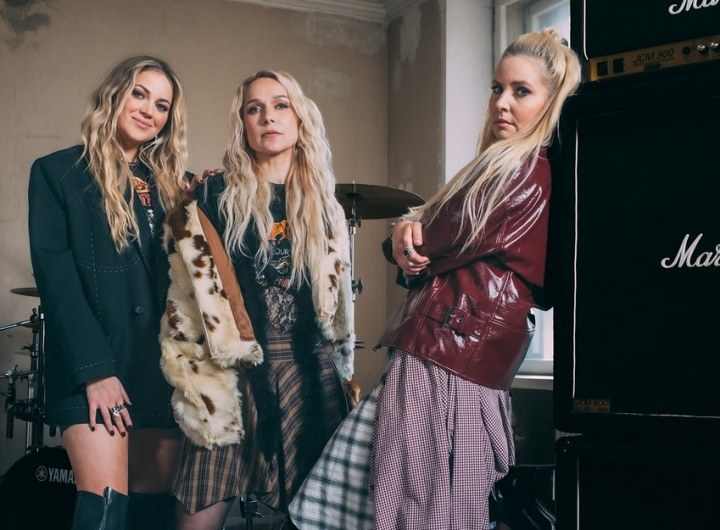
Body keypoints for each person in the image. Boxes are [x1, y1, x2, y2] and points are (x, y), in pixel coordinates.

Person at [288, 28, 581, 530]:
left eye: (521, 91)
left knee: (418, 504)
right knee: (400, 498)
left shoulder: (516, 170)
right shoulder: (516, 168)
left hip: (449, 353)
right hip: (456, 350)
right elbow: (428, 242)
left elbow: (427, 242)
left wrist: (404, 231)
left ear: (550, 103)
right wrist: (407, 232)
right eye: (497, 88)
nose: (502, 103)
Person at [160, 69, 355, 530]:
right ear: (244, 125)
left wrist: (342, 369)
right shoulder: (215, 194)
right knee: (198, 509)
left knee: (315, 516)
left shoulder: (326, 206)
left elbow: (339, 304)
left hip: (309, 370)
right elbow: (184, 289)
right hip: (234, 368)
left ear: (300, 117)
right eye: (255, 109)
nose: (269, 116)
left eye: (281, 105)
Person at [28, 55, 192, 530]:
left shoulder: (175, 186)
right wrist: (95, 371)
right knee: (104, 511)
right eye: (139, 93)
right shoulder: (58, 172)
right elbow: (57, 281)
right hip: (94, 367)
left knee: (151, 517)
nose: (148, 110)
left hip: (159, 369)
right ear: (115, 93)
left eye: (161, 105)